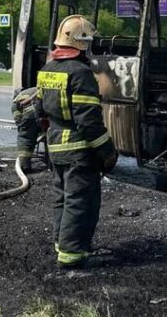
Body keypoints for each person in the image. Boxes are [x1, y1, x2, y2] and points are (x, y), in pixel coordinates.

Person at [13, 14, 118, 268]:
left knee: (62, 198)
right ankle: (72, 256)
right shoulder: (80, 73)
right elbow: (89, 122)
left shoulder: (47, 70)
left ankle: (62, 245)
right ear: (83, 43)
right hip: (79, 151)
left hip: (55, 146)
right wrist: (107, 151)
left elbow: (39, 111)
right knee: (80, 202)